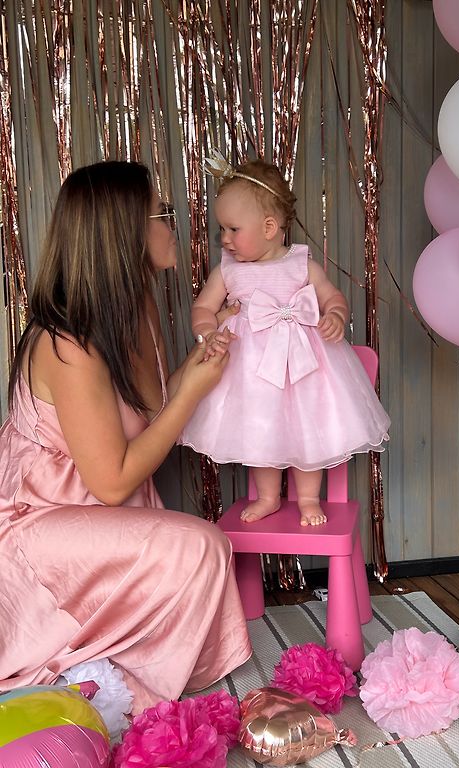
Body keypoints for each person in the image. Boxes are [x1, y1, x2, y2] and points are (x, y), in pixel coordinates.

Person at [0, 160, 252, 714]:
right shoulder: (69, 342)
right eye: (162, 214)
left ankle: (110, 667)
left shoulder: (135, 308)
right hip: (41, 528)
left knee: (201, 549)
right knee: (202, 546)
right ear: (125, 234)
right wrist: (192, 394)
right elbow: (112, 481)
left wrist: (199, 365)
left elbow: (151, 412)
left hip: (101, 511)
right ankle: (88, 672)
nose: (174, 225)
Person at [180, 157, 391, 526]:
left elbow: (332, 296)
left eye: (233, 229)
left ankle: (308, 498)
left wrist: (335, 315)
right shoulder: (228, 270)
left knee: (309, 428)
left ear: (269, 227)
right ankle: (267, 497)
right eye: (221, 229)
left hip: (304, 370)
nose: (224, 239)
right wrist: (208, 332)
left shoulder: (301, 263)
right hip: (252, 374)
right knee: (260, 430)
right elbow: (203, 308)